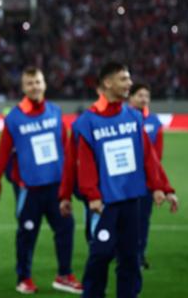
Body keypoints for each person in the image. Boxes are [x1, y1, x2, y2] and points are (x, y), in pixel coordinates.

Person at [68, 62, 177, 298]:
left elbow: (148, 157)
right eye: (124, 79)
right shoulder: (86, 122)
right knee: (101, 255)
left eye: (129, 78)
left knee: (129, 258)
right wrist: (92, 195)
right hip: (104, 203)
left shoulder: (134, 118)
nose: (130, 83)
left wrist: (161, 187)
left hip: (131, 199)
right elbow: (84, 164)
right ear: (108, 83)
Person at [0, 67, 82, 294]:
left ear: (44, 84)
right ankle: (24, 278)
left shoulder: (55, 111)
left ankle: (64, 275)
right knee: (27, 234)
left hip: (57, 186)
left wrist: (71, 178)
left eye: (38, 82)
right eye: (30, 83)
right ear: (23, 88)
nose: (35, 87)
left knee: (66, 228)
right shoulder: (14, 118)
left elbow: (66, 146)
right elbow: (3, 152)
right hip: (29, 190)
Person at [127, 83, 163, 270]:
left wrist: (156, 184)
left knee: (142, 221)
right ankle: (123, 254)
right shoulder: (122, 119)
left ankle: (139, 256)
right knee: (123, 221)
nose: (144, 99)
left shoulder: (154, 122)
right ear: (130, 97)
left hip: (146, 182)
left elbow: (157, 156)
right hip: (124, 182)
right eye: (140, 95)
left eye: (146, 96)